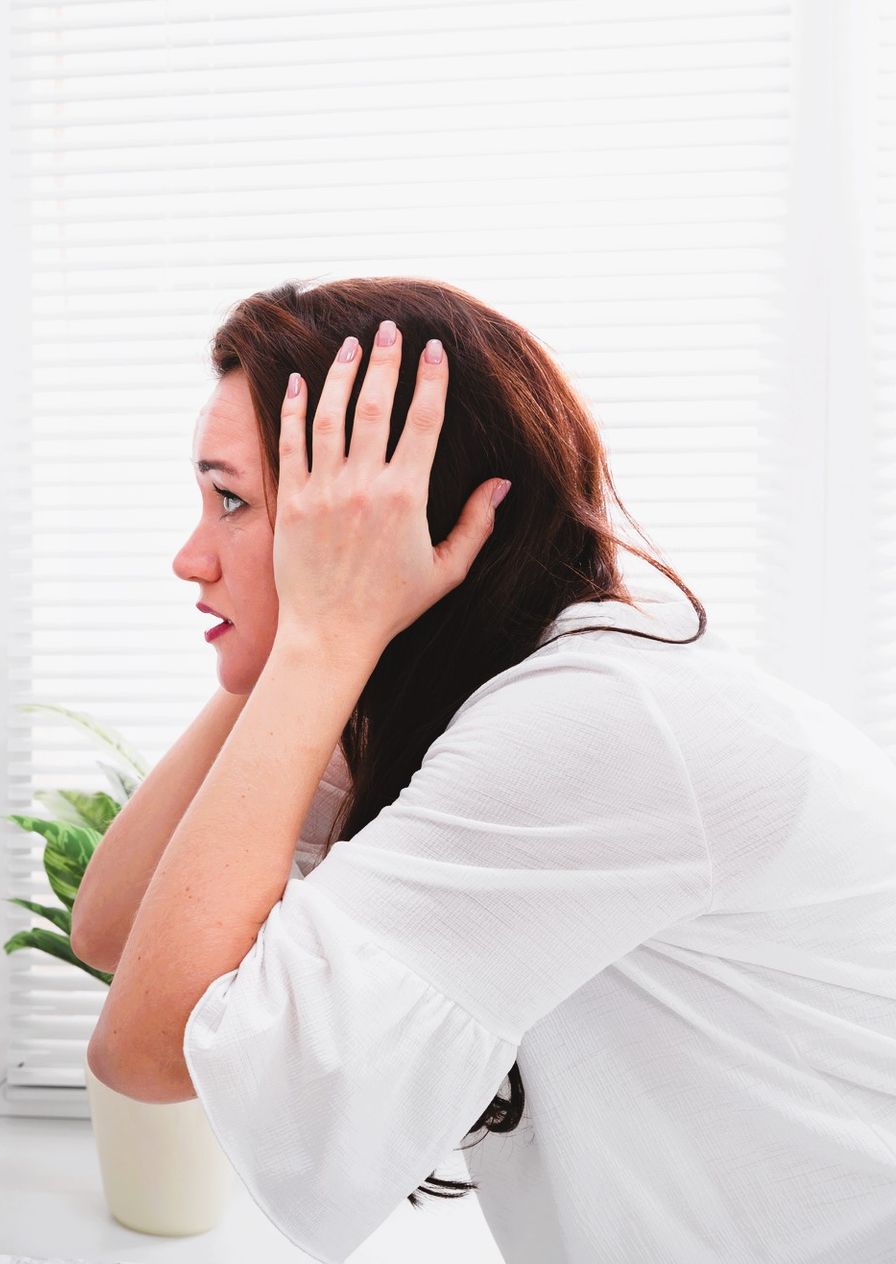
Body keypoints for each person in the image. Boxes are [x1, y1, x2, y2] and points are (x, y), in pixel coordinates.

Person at [70, 277, 896, 1262]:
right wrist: (303, 641)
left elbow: (148, 1052)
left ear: (388, 519)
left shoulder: (597, 715)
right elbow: (115, 931)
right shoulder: (460, 700)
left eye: (234, 501)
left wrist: (320, 628)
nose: (189, 556)